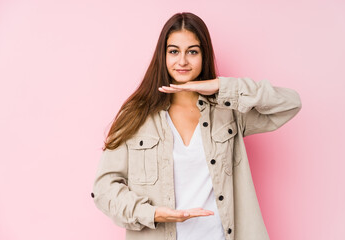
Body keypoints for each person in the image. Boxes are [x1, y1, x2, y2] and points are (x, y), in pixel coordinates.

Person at [91, 12, 301, 240]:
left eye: (192, 51)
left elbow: (290, 103)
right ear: (162, 56)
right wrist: (153, 214)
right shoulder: (136, 114)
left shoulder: (228, 111)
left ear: (204, 55)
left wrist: (221, 86)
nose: (182, 61)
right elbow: (104, 188)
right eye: (174, 51)